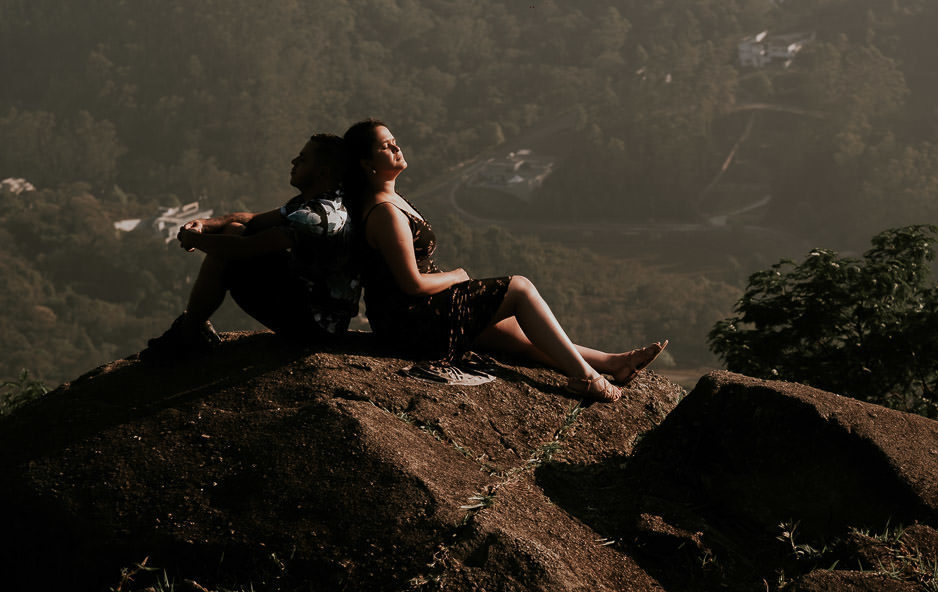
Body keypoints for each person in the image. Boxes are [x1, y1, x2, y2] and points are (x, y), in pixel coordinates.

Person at [341, 118, 666, 401]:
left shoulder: (391, 199)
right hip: (410, 322)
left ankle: (612, 363)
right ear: (365, 163)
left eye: (395, 142)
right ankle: (586, 378)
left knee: (518, 335)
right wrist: (457, 276)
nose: (397, 149)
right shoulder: (385, 213)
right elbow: (412, 284)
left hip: (423, 312)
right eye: (386, 146)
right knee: (520, 289)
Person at [141, 133, 359, 363]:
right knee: (234, 229)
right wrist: (204, 224)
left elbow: (248, 248)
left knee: (230, 249)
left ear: (323, 172)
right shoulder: (319, 202)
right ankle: (191, 329)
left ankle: (189, 332)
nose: (293, 162)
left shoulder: (319, 216)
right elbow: (252, 219)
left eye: (303, 159)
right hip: (317, 310)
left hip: (315, 326)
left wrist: (195, 240)